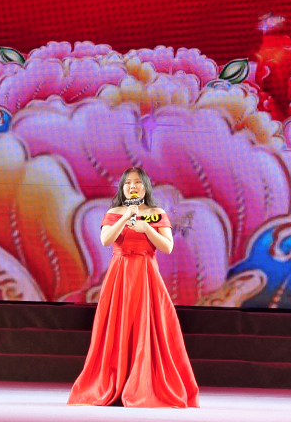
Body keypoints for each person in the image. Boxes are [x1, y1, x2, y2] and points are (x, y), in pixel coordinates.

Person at [67, 167, 200, 408]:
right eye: (128, 183)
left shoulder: (156, 214)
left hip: (146, 274)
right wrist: (126, 217)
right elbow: (106, 240)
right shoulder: (114, 212)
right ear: (123, 188)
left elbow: (167, 246)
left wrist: (146, 228)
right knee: (118, 326)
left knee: (147, 326)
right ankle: (114, 382)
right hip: (120, 275)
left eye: (137, 183)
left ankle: (143, 384)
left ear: (145, 187)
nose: (133, 187)